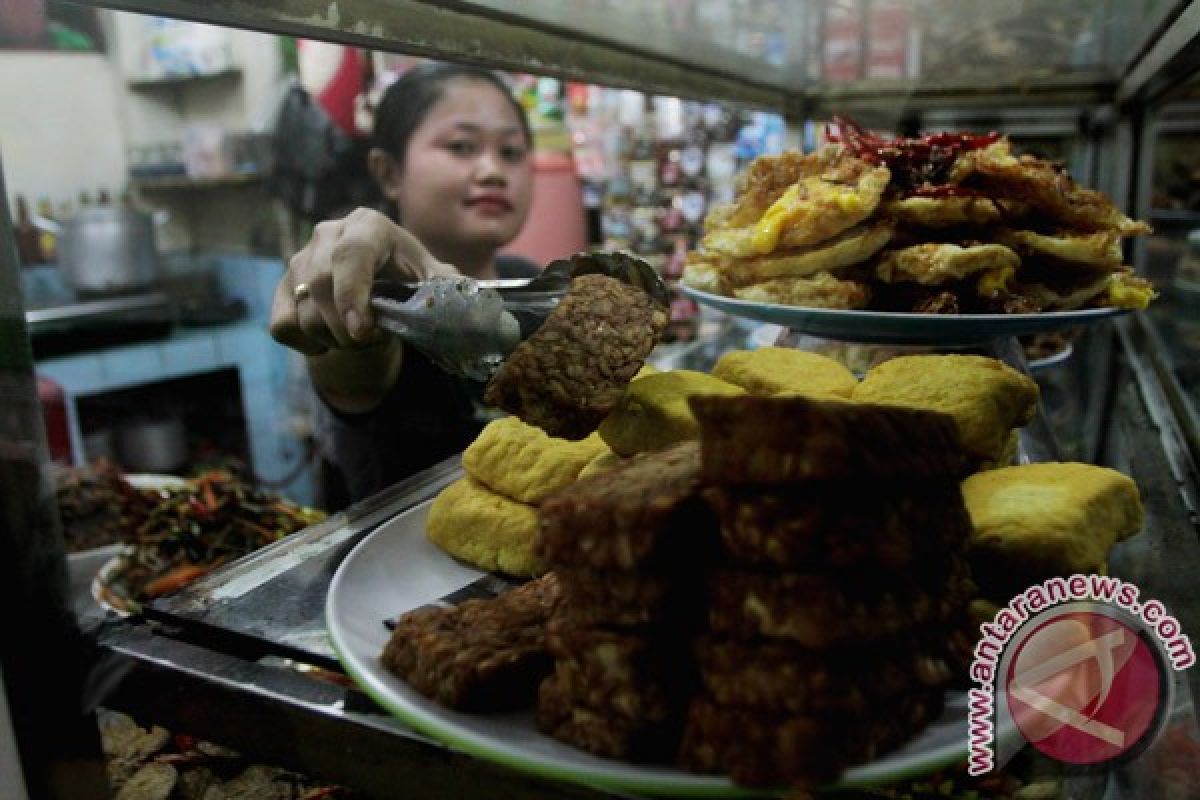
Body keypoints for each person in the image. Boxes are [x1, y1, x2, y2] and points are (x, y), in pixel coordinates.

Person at [270, 63, 537, 508]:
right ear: (389, 173)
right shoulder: (384, 303)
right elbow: (354, 367)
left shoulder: (526, 280)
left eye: (511, 152)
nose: (493, 170)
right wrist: (348, 303)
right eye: (461, 146)